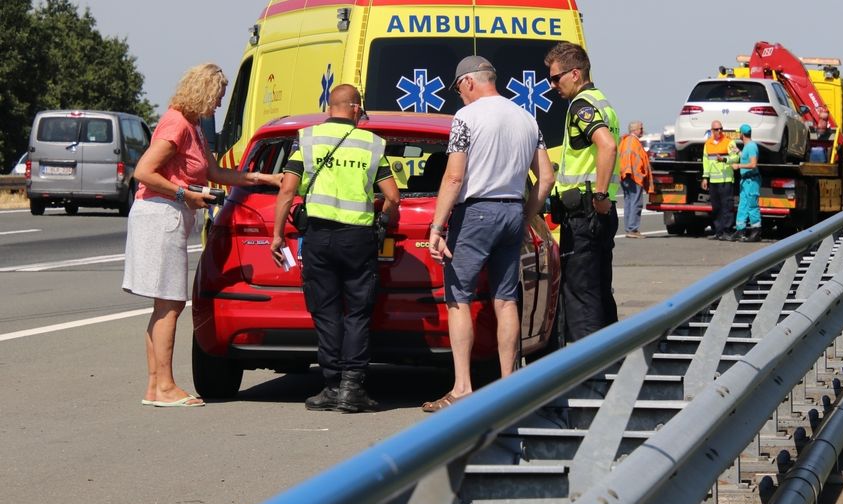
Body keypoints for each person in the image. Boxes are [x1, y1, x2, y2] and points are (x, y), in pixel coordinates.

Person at [124, 63, 282, 408]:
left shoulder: (192, 126)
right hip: (160, 216)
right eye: (219, 96)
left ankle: (156, 387)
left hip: (170, 217)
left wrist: (262, 180)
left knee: (164, 305)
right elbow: (144, 172)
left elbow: (212, 172)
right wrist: (186, 195)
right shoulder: (177, 124)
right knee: (170, 303)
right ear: (204, 91)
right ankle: (164, 387)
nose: (219, 104)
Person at [421, 56, 554, 413]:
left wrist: (437, 226)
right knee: (506, 299)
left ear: (467, 83)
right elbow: (546, 178)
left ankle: (463, 387)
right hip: (512, 209)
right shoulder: (527, 118)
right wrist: (526, 216)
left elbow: (453, 177)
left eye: (459, 90)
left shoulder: (467, 118)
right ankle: (509, 384)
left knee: (458, 298)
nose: (460, 98)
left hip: (475, 212)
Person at [270, 84, 400, 413]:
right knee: (357, 312)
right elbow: (393, 196)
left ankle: (330, 386)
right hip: (357, 238)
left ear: (331, 107)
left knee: (326, 312)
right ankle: (352, 388)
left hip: (318, 236)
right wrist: (383, 222)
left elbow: (287, 191)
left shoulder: (308, 139)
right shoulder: (371, 144)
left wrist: (277, 236)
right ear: (355, 108)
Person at [545, 42, 620, 342]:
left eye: (556, 78)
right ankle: (608, 363)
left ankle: (586, 377)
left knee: (580, 299)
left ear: (575, 74)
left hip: (585, 215)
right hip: (597, 214)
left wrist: (599, 196)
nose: (552, 85)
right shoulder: (602, 100)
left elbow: (607, 145)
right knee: (600, 292)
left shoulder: (581, 105)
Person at [701, 121, 738, 240]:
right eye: (716, 129)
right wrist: (705, 178)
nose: (719, 131)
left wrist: (724, 159)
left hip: (725, 179)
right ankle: (718, 231)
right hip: (713, 181)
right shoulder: (708, 144)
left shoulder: (729, 142)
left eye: (721, 129)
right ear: (712, 130)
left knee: (727, 206)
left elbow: (736, 157)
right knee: (716, 207)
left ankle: (727, 231)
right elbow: (705, 162)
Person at [618, 120, 653, 239]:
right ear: (635, 130)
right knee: (635, 202)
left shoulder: (626, 140)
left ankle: (629, 229)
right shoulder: (632, 141)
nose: (642, 130)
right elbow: (630, 158)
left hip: (627, 175)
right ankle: (632, 229)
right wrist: (634, 173)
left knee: (629, 202)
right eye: (641, 128)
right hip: (633, 176)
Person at [732, 123, 762, 242]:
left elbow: (753, 164)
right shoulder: (747, 147)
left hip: (751, 180)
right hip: (746, 181)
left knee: (752, 205)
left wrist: (738, 165)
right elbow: (745, 157)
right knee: (743, 205)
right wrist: (738, 152)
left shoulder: (751, 146)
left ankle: (756, 231)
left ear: (742, 134)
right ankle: (740, 229)